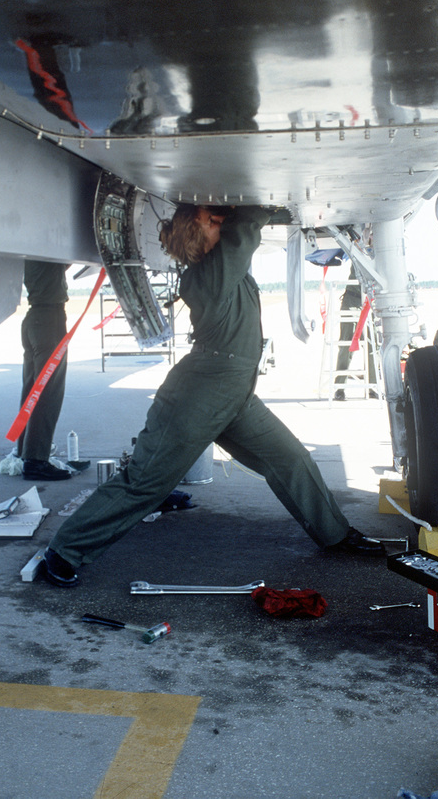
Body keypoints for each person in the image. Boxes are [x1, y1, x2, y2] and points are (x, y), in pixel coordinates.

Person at [41, 204, 384, 587]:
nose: (222, 222)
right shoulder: (203, 277)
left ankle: (336, 535)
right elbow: (242, 232)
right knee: (146, 483)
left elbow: (236, 241)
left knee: (291, 459)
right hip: (197, 396)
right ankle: (65, 550)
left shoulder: (223, 270)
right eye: (212, 221)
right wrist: (259, 201)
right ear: (195, 234)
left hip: (235, 394)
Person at [14, 260, 89, 480]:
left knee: (32, 391)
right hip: (49, 319)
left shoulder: (33, 251)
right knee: (48, 393)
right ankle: (36, 461)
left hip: (35, 318)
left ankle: (25, 452)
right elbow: (66, 259)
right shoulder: (49, 250)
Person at [333, 263, 379, 401]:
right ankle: (339, 388)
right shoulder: (359, 247)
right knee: (346, 345)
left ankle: (372, 387)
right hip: (352, 301)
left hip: (370, 301)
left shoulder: (380, 253)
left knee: (373, 346)